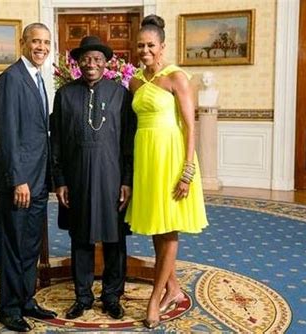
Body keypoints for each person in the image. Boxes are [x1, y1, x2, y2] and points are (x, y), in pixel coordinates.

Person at [124, 15, 208, 329]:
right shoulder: (133, 81)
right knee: (157, 227)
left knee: (169, 227)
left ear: (162, 46)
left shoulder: (177, 77)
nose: (145, 50)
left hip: (172, 158)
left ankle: (154, 298)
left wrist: (188, 170)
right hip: (146, 158)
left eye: (150, 45)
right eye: (140, 46)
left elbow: (190, 126)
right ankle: (173, 288)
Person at [50, 36, 136, 320]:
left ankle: (112, 296)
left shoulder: (120, 94)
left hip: (112, 177)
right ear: (78, 62)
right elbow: (58, 142)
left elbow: (128, 141)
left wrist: (127, 180)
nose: (91, 64)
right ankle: (83, 297)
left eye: (97, 59)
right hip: (77, 178)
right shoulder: (64, 95)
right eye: (86, 58)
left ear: (106, 63)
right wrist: (60, 180)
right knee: (81, 239)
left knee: (114, 240)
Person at [0, 22, 57, 332]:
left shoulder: (39, 79)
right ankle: (9, 308)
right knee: (13, 245)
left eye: (45, 42)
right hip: (18, 182)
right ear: (22, 43)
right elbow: (7, 135)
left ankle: (27, 299)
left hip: (39, 180)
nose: (41, 47)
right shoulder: (10, 79)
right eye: (35, 41)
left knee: (31, 245)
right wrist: (18, 179)